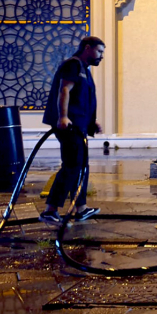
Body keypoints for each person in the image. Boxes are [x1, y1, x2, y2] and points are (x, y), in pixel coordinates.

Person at [39, 36, 105, 225]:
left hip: (79, 125)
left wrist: (91, 122)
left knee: (81, 166)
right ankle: (50, 210)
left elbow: (81, 99)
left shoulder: (84, 69)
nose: (101, 56)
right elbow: (65, 90)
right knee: (72, 165)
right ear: (87, 48)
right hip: (69, 126)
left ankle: (80, 208)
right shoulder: (73, 65)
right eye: (99, 51)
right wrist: (62, 116)